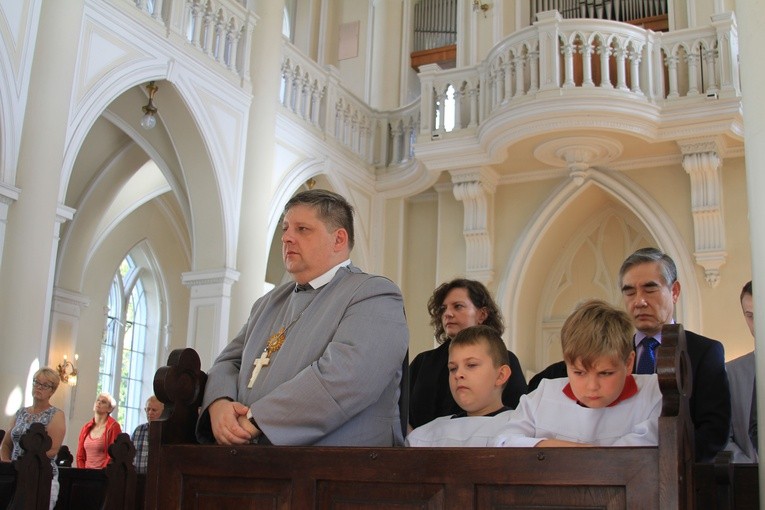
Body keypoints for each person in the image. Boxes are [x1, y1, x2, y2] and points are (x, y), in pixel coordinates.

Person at [196, 189, 409, 446]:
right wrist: (220, 404)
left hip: (341, 470)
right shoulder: (268, 303)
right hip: (253, 462)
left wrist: (256, 420)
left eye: (302, 229)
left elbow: (346, 378)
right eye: (285, 228)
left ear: (339, 239)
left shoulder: (373, 294)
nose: (286, 238)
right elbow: (228, 362)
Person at [526, 248, 730, 461]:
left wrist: (664, 464)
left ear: (675, 291)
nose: (639, 301)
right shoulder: (607, 352)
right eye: (629, 291)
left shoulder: (704, 352)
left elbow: (714, 432)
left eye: (650, 289)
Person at [495, 299, 662, 447]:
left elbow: (643, 447)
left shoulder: (653, 393)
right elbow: (503, 441)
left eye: (605, 373)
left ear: (629, 363)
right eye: (579, 373)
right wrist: (550, 446)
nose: (592, 386)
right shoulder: (543, 394)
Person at [408, 279, 527, 429]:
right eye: (443, 309)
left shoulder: (505, 360)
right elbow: (401, 412)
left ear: (482, 314)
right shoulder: (423, 362)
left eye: (458, 306)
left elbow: (518, 413)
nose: (448, 314)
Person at [406, 325, 513, 446]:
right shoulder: (428, 435)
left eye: (471, 365)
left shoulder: (520, 429)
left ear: (500, 376)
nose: (458, 374)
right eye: (453, 368)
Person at [0, 368, 66, 509]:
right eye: (36, 382)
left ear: (52, 391)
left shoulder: (56, 415)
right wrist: (7, 466)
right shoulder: (21, 413)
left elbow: (53, 449)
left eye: (45, 385)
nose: (39, 387)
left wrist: (27, 464)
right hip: (15, 474)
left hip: (41, 476)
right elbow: (6, 445)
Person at [725, 281, 757, 462]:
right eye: (750, 315)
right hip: (752, 482)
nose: (757, 323)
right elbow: (723, 438)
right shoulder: (731, 374)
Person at [76, 392, 122, 468]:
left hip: (103, 475)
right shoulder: (86, 427)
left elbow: (112, 455)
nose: (99, 403)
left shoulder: (113, 426)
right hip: (85, 474)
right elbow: (80, 456)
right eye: (98, 400)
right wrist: (82, 473)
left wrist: (100, 473)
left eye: (103, 402)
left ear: (110, 409)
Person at [130, 395, 165, 473]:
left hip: (157, 478)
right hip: (136, 476)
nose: (150, 413)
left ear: (163, 411)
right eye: (148, 409)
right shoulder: (138, 430)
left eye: (154, 410)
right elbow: (129, 453)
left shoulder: (166, 432)